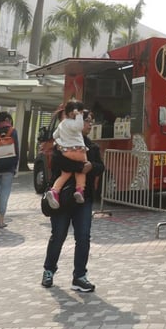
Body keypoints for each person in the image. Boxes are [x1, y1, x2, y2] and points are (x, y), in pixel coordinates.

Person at [41, 110, 103, 292]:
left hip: (84, 198)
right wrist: (83, 166)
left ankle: (80, 276)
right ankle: (49, 270)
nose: (90, 125)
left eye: (91, 122)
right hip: (61, 199)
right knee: (58, 235)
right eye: (87, 121)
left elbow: (101, 167)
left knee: (83, 237)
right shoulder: (61, 143)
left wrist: (92, 166)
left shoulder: (92, 147)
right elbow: (58, 164)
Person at [44, 101, 87, 209]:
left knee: (65, 174)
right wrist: (78, 115)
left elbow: (54, 135)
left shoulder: (62, 124)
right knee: (81, 170)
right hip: (79, 151)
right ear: (73, 113)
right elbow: (79, 127)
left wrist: (61, 142)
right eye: (81, 113)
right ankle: (80, 190)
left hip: (66, 152)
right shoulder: (74, 122)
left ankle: (54, 191)